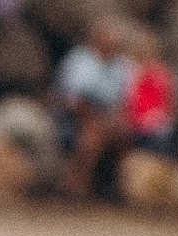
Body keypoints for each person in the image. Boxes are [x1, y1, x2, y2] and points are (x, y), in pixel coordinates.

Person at [54, 14, 139, 173]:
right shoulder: (79, 61)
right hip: (78, 116)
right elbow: (72, 99)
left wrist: (117, 117)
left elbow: (129, 99)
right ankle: (76, 181)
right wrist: (95, 119)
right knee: (92, 136)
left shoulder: (125, 65)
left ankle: (116, 181)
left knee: (125, 134)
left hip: (112, 115)